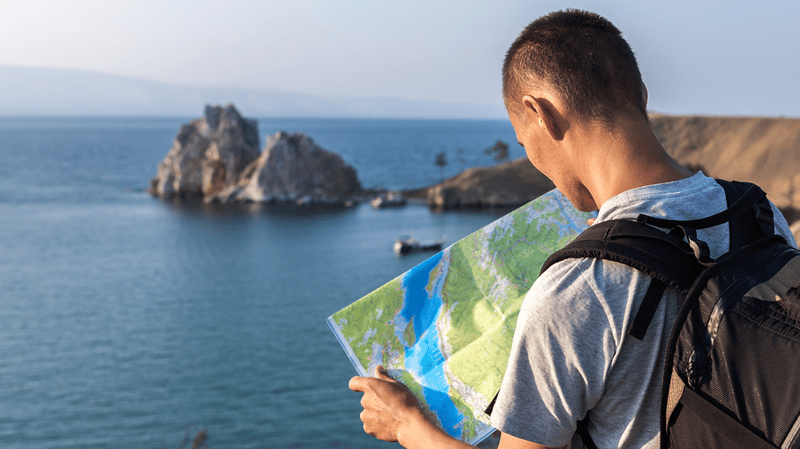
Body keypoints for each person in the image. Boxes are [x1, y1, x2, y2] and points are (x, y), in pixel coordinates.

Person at [349, 9, 797, 449]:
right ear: (640, 94)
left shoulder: (577, 290)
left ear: (539, 113)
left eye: (525, 144)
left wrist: (408, 426)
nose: (534, 161)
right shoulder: (758, 212)